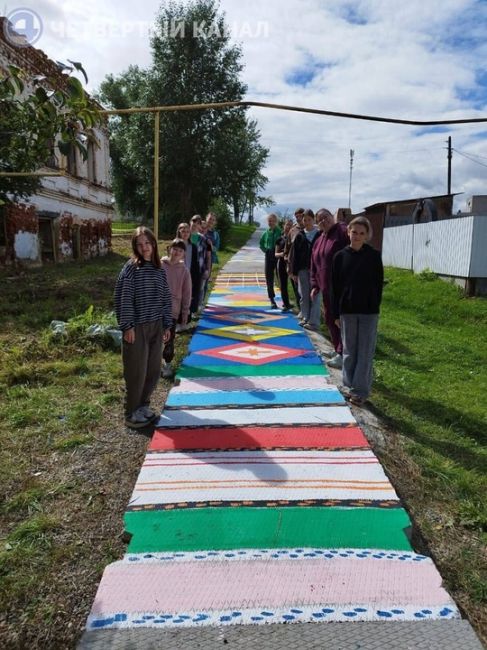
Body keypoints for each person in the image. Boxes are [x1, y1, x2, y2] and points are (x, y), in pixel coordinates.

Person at [114, 226, 172, 428]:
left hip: (156, 325)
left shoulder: (159, 269)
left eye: (147, 243)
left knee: (153, 370)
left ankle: (143, 405)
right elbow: (125, 298)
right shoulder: (131, 268)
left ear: (153, 244)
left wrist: (167, 325)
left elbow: (165, 298)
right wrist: (127, 326)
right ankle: (131, 412)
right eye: (139, 244)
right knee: (136, 371)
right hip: (137, 327)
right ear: (135, 247)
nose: (144, 247)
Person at [330, 216, 384, 406]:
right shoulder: (339, 257)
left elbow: (378, 285)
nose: (357, 236)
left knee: (365, 352)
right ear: (348, 232)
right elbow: (334, 288)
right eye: (354, 232)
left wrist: (374, 304)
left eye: (362, 233)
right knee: (349, 351)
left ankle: (360, 391)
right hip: (347, 311)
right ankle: (348, 385)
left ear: (367, 235)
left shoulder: (374, 256)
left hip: (368, 312)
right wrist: (335, 314)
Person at [310, 208, 350, 369]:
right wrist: (314, 285)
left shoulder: (341, 231)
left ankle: (343, 354)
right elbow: (314, 263)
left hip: (341, 287)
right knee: (329, 319)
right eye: (319, 220)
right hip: (326, 288)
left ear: (331, 217)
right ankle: (337, 349)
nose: (323, 221)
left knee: (339, 321)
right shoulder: (320, 238)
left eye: (325, 217)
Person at [161, 238, 192, 378]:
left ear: (183, 254)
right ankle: (153, 363)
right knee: (154, 337)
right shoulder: (159, 265)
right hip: (156, 307)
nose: (176, 252)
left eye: (180, 251)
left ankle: (167, 364)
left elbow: (187, 294)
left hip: (173, 310)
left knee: (169, 338)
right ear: (169, 249)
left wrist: (184, 314)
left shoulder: (184, 271)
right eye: (175, 249)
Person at [289, 209, 320, 330]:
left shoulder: (319, 234)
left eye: (309, 219)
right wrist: (294, 272)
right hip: (302, 269)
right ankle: (305, 317)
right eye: (304, 220)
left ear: (313, 220)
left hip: (315, 270)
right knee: (304, 295)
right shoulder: (300, 235)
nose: (307, 222)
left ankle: (314, 321)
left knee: (315, 296)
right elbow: (295, 255)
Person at [177, 220, 209, 319]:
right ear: (179, 232)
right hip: (177, 276)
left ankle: (187, 319)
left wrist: (198, 276)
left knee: (189, 297)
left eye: (187, 231)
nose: (185, 234)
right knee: (178, 298)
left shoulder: (193, 247)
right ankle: (177, 319)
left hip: (190, 275)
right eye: (183, 231)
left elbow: (196, 264)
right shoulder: (175, 246)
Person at [259, 213, 282, 309]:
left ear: (276, 222)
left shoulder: (279, 231)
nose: (271, 222)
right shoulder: (265, 233)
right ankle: (272, 299)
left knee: (280, 277)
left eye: (272, 221)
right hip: (269, 255)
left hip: (278, 255)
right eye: (269, 221)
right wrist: (266, 250)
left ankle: (284, 299)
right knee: (269, 277)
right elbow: (261, 244)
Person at [285, 208, 304, 310]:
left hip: (306, 264)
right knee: (297, 289)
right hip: (293, 264)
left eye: (300, 215)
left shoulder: (311, 229)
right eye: (296, 216)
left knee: (307, 290)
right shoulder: (292, 230)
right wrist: (287, 261)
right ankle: (300, 310)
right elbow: (287, 248)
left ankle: (307, 313)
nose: (298, 218)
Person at [275, 219, 293, 312]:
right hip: (281, 264)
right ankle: (286, 304)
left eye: (290, 225)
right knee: (283, 285)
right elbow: (276, 254)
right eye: (287, 225)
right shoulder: (279, 239)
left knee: (295, 285)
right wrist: (283, 254)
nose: (288, 227)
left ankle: (297, 305)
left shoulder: (294, 238)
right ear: (284, 226)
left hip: (292, 264)